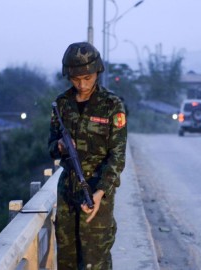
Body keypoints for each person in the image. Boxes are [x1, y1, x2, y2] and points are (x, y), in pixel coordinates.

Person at [48, 42, 127, 269]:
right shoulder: (61, 105)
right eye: (76, 79)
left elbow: (117, 157)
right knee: (67, 261)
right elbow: (51, 147)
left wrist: (101, 192)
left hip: (96, 193)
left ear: (97, 72)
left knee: (94, 262)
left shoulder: (112, 105)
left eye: (87, 78)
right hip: (67, 193)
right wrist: (61, 145)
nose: (82, 85)